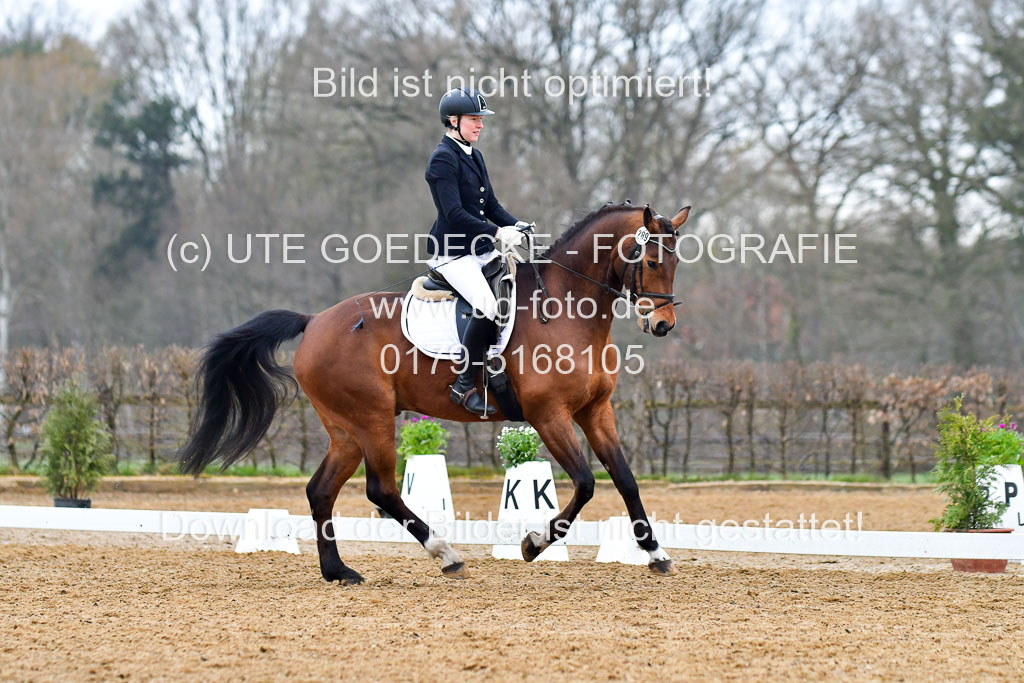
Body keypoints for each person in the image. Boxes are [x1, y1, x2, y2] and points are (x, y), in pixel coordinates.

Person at [425, 87, 530, 417]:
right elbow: (454, 213)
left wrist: (518, 226)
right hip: (453, 253)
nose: (480, 125)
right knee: (486, 305)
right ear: (453, 121)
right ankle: (463, 383)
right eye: (474, 119)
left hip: (480, 250)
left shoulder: (473, 154)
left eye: (481, 119)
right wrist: (499, 232)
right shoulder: (443, 159)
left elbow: (492, 205)